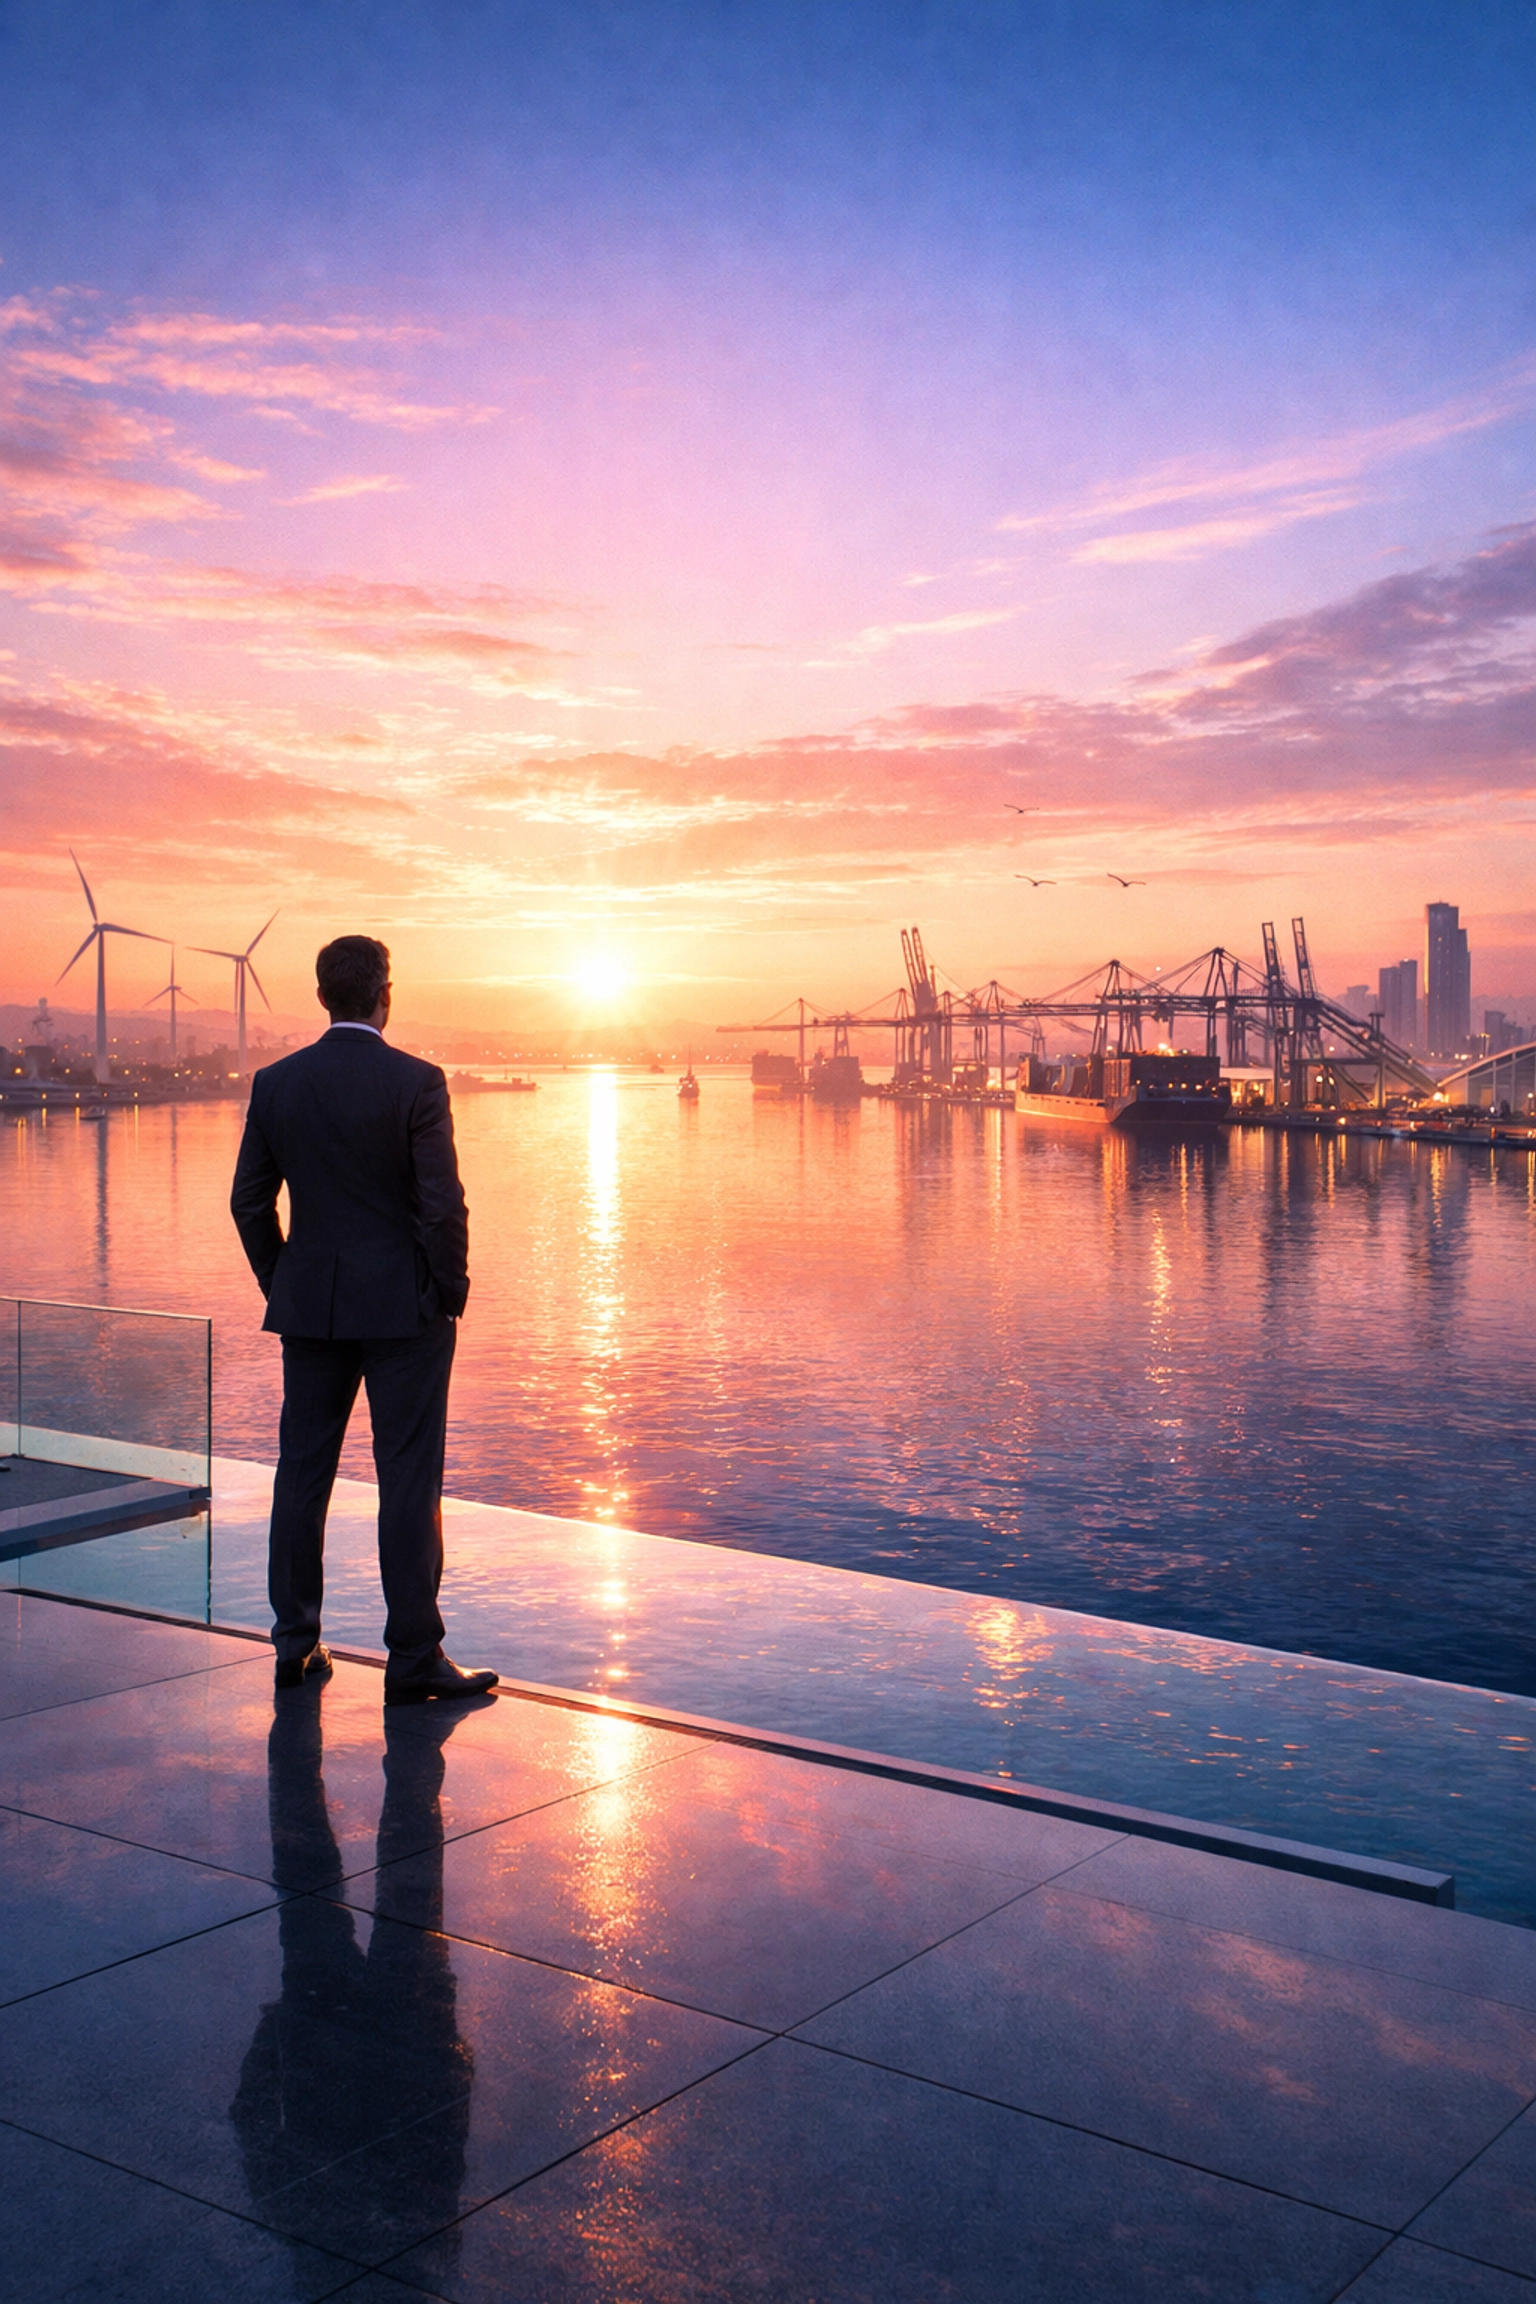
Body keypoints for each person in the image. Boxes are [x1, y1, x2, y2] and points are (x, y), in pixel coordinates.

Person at [230, 934, 498, 1704]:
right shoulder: (416, 1082)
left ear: (322, 997)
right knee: (408, 1482)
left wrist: (285, 1280)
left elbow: (250, 1201)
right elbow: (442, 1205)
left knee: (302, 1475)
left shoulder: (277, 1083)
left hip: (310, 1308)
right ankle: (413, 1657)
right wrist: (447, 1291)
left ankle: (295, 1644)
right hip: (404, 1314)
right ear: (387, 993)